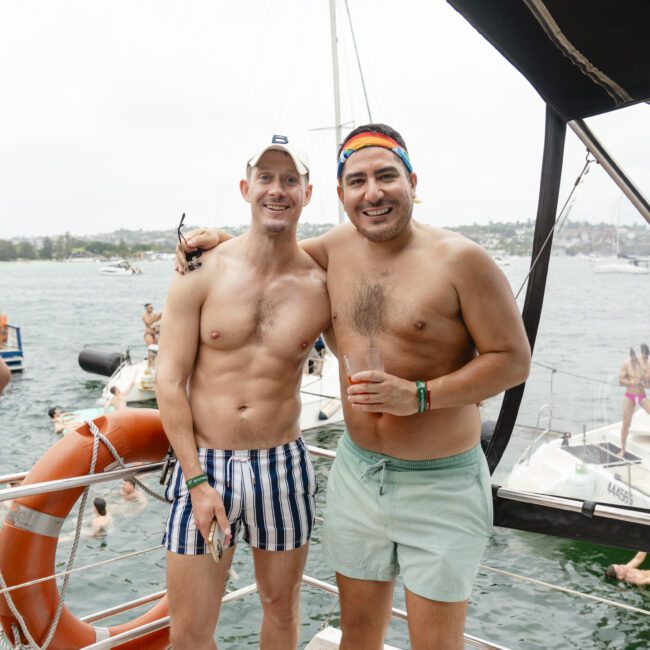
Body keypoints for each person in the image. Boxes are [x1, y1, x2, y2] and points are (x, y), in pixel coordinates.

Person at [175, 123, 531, 649]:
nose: (374, 192)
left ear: (412, 181)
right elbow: (271, 251)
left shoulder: (461, 260)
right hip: (359, 475)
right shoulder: (334, 250)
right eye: (358, 180)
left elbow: (513, 360)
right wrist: (222, 240)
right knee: (357, 639)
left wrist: (421, 395)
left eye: (387, 176)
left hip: (442, 481)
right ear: (340, 195)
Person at [157, 135, 330, 650]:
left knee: (281, 611)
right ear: (245, 187)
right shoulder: (200, 269)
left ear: (307, 192)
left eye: (290, 180)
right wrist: (196, 481)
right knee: (189, 632)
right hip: (204, 467)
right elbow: (168, 381)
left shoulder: (320, 284)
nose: (277, 190)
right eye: (266, 178)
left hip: (284, 464)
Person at [618, 347, 650, 456]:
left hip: (642, 396)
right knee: (626, 424)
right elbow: (620, 381)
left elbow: (648, 385)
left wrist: (646, 382)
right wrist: (631, 382)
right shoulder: (625, 364)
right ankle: (623, 449)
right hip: (629, 396)